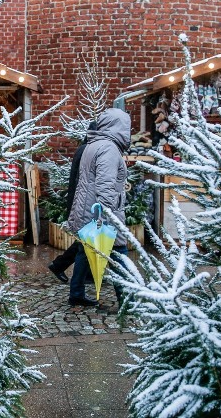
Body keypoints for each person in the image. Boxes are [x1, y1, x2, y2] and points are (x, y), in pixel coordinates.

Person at [66, 108, 131, 307]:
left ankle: (76, 293)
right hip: (100, 212)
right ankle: (128, 300)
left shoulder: (92, 145)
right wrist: (105, 216)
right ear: (120, 127)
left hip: (86, 209)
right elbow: (105, 185)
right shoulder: (109, 149)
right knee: (120, 253)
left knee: (85, 251)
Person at [47, 121, 97, 284]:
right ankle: (59, 265)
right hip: (83, 201)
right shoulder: (87, 151)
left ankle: (83, 272)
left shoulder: (84, 148)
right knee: (86, 240)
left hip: (81, 199)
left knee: (88, 238)